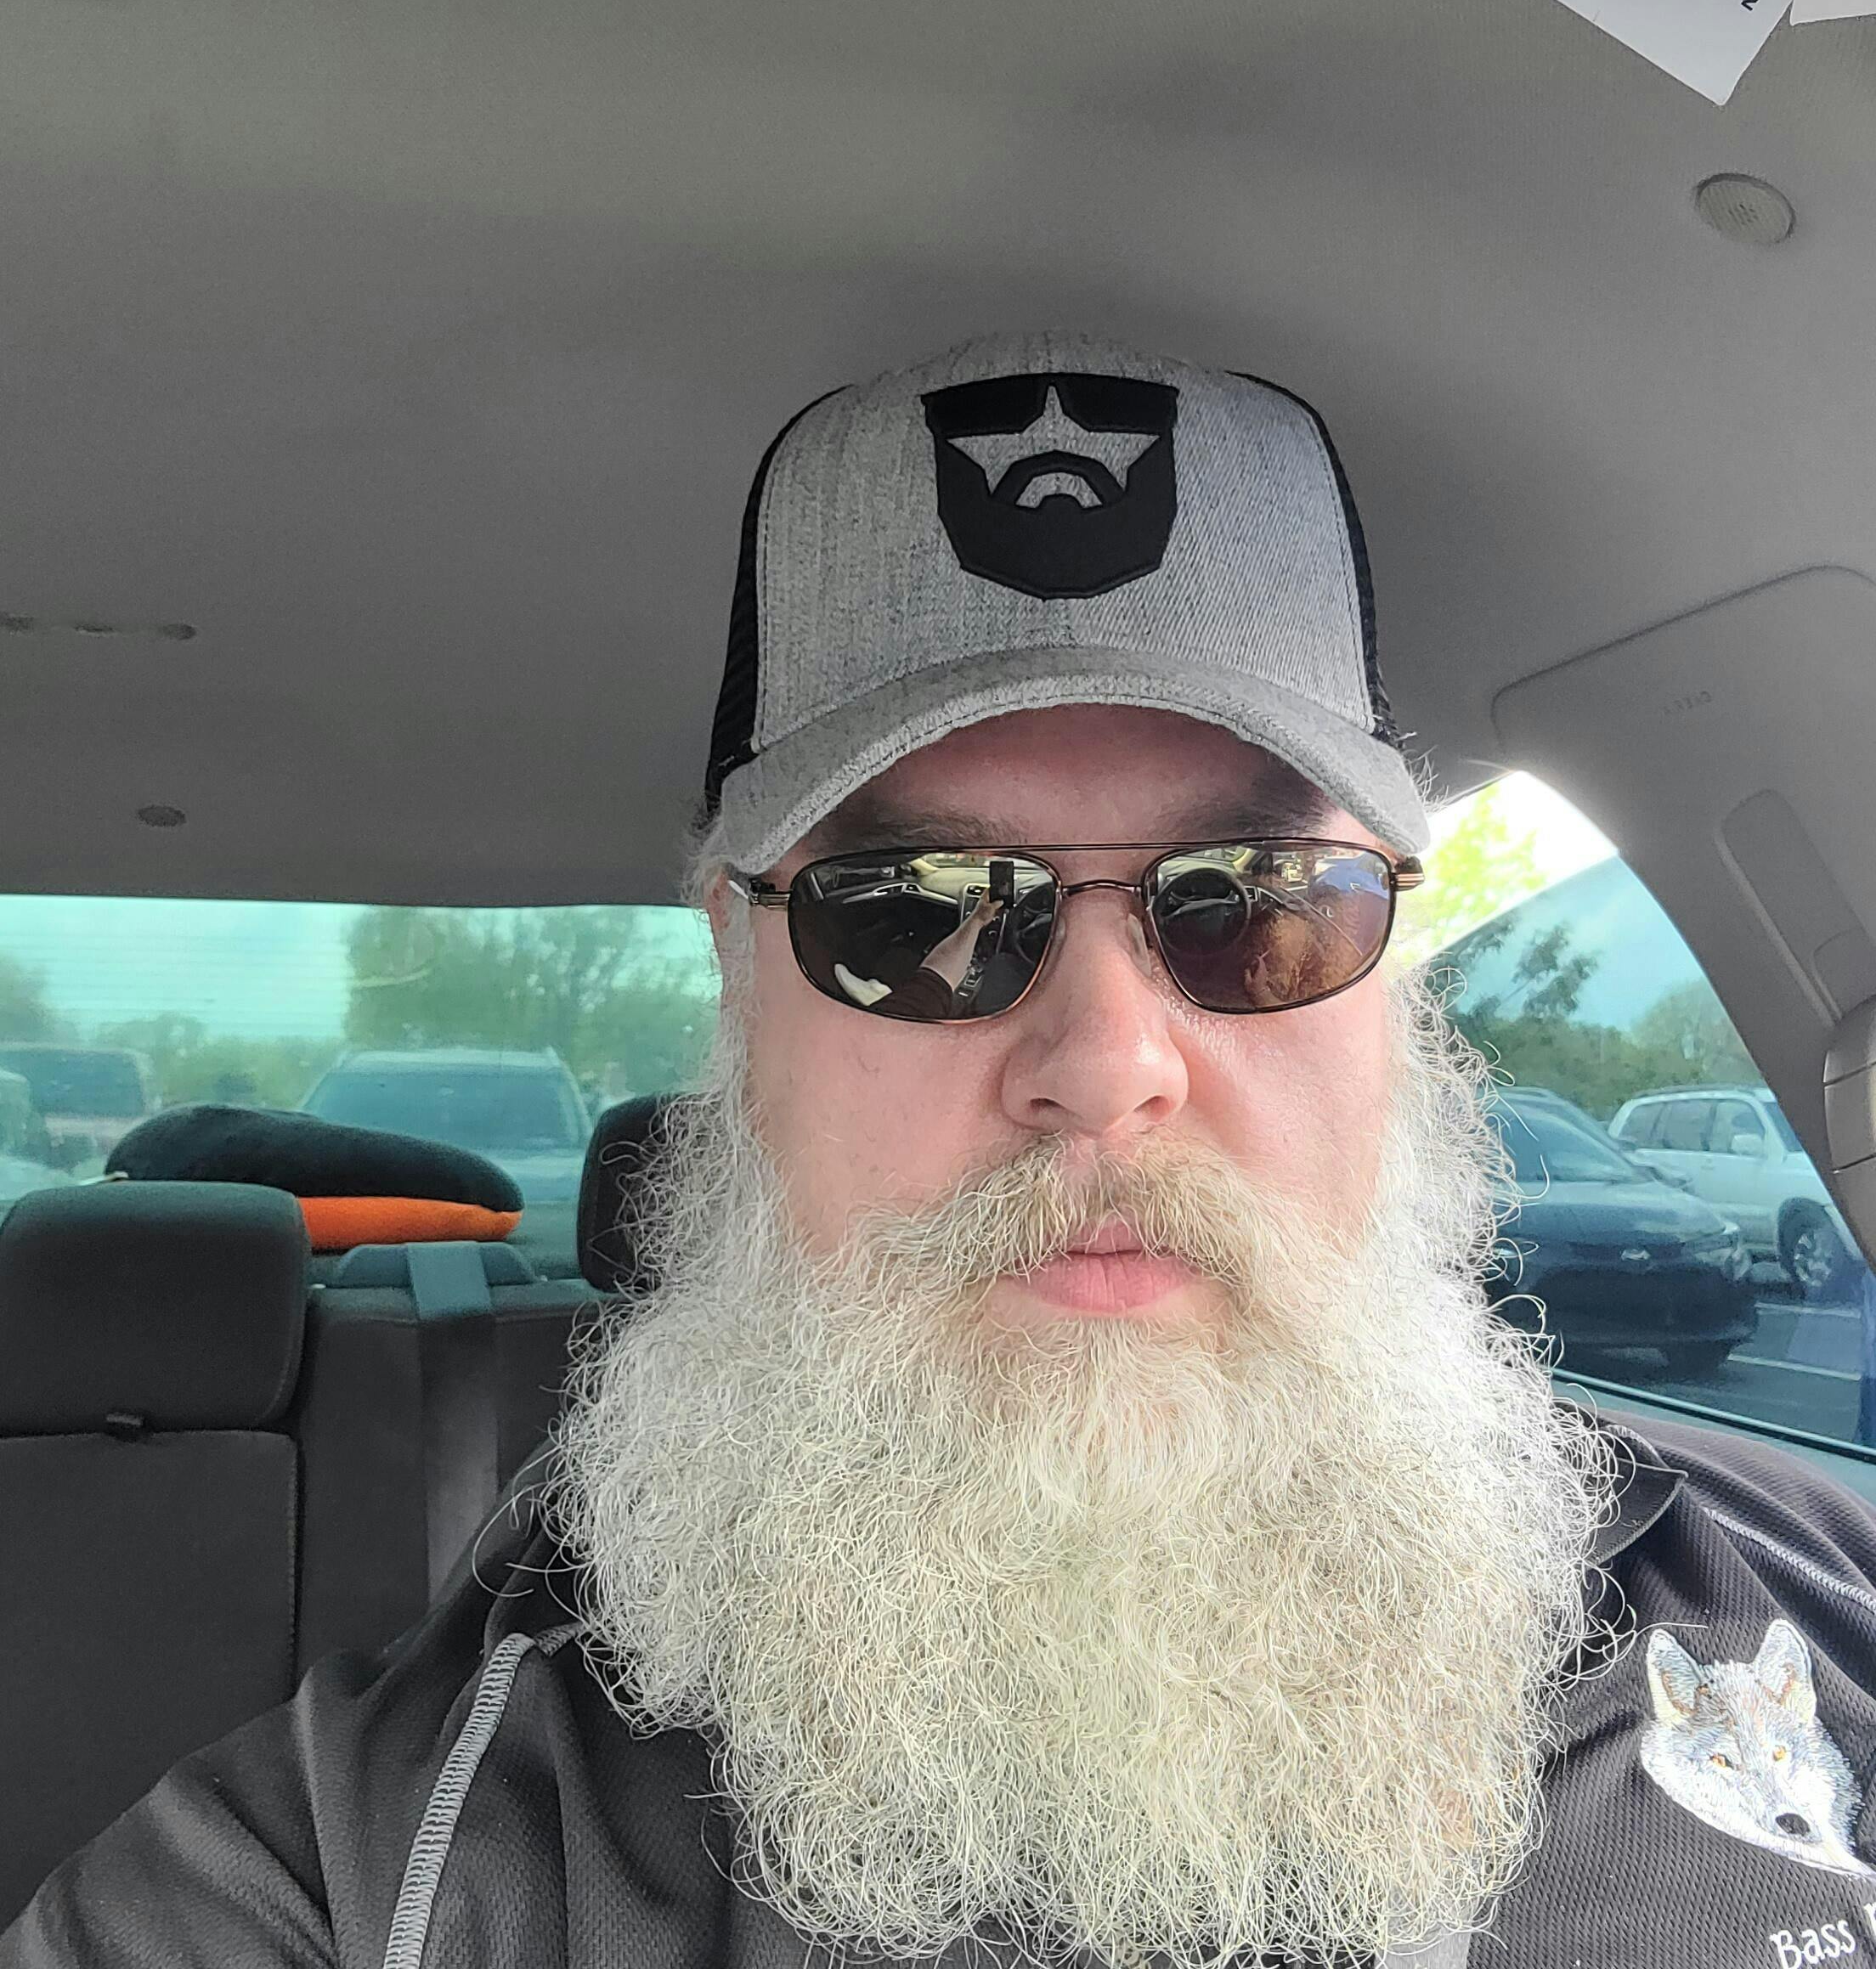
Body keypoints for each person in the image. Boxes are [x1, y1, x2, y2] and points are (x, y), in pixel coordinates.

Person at [12, 334, 1876, 1969]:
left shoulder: (1822, 1614)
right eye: (912, 915)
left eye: (1255, 900)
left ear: (1388, 980)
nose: (1108, 1065)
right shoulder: (368, 1870)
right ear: (744, 990)